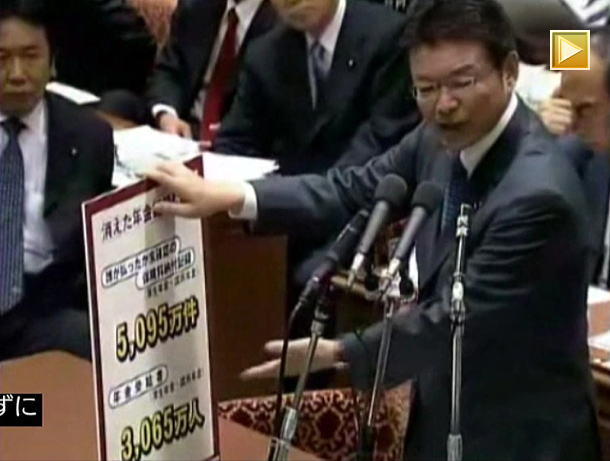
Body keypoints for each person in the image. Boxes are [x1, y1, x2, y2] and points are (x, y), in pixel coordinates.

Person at [147, 0, 602, 459]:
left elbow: (456, 321)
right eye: (426, 88)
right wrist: (236, 195)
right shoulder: (437, 134)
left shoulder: (537, 195)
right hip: (441, 412)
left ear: (508, 72)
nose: (443, 105)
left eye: (461, 84)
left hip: (521, 435)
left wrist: (565, 92)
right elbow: (352, 187)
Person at [0, 0, 114, 362]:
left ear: (52, 61)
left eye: (30, 56)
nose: (17, 74)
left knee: (97, 342)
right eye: (1, 58)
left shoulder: (90, 136)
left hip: (42, 309)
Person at [213, 0, 420, 175]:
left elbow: (382, 140)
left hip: (363, 196)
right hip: (283, 200)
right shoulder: (265, 53)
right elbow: (235, 143)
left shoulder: (388, 36)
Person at [538, 27, 610, 286]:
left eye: (584, 110)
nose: (573, 124)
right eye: (568, 106)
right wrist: (536, 137)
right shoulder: (572, 154)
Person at [146, 0, 278, 140]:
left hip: (236, 139)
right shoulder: (198, 5)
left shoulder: (281, 26)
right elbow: (170, 70)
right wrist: (166, 115)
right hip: (181, 127)